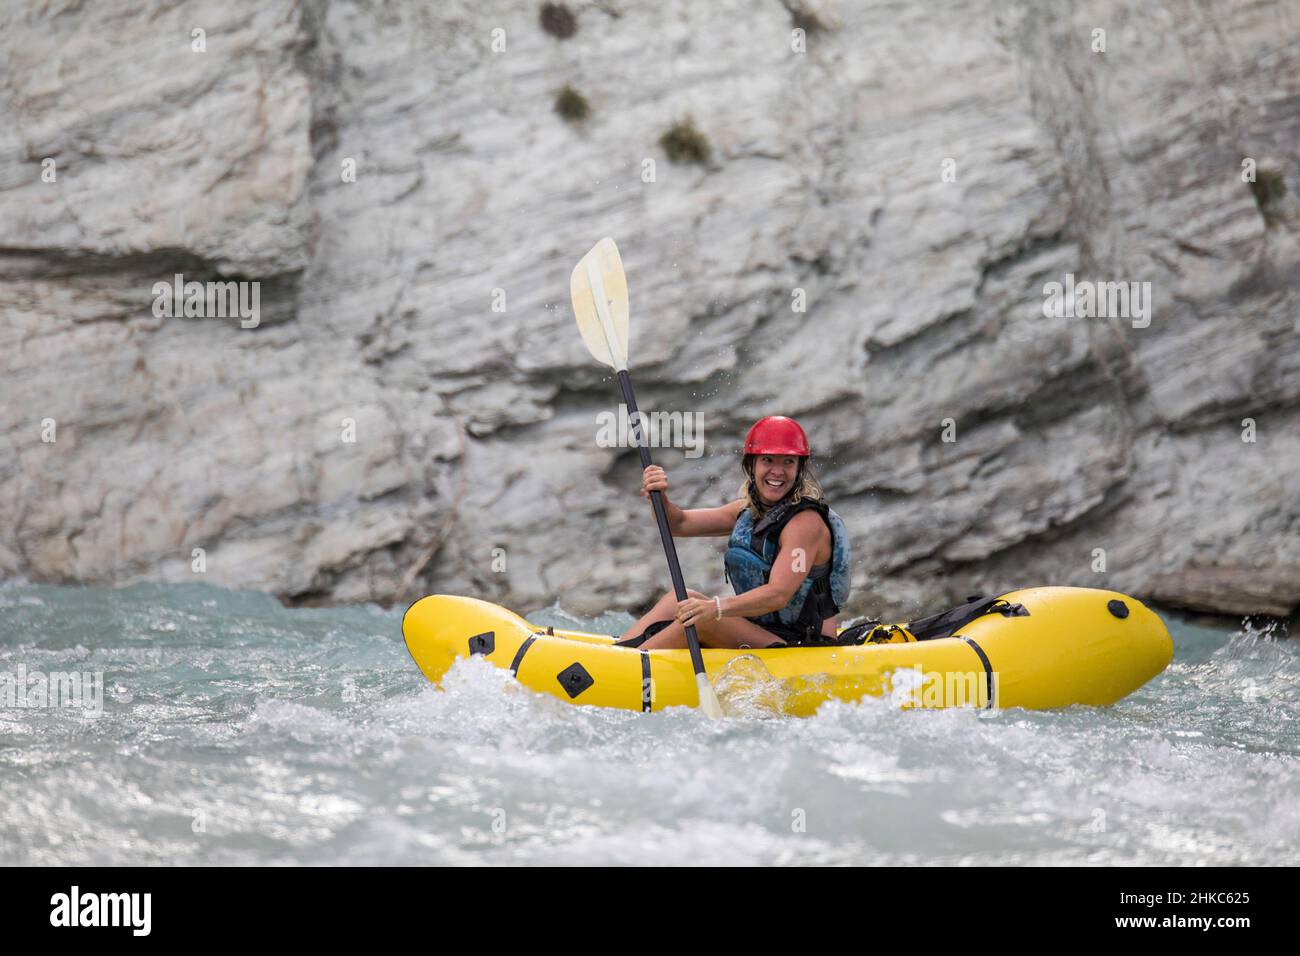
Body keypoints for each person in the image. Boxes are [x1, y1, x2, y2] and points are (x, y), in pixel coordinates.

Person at [618, 416, 851, 650]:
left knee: (701, 621)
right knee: (680, 599)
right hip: (764, 632)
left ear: (799, 468)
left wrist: (716, 608)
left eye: (788, 462)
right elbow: (678, 524)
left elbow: (778, 594)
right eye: (768, 460)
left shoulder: (805, 525)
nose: (778, 471)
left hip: (804, 645)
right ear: (751, 465)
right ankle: (618, 655)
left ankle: (625, 670)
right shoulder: (746, 513)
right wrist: (659, 496)